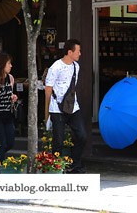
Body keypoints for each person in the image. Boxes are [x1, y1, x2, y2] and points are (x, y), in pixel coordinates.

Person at [45, 39, 87, 173]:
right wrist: (48, 111)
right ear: (70, 52)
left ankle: (73, 165)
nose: (80, 54)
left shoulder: (76, 67)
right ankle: (55, 168)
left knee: (82, 135)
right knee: (58, 140)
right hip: (57, 108)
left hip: (73, 106)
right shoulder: (55, 67)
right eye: (78, 51)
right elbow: (48, 89)